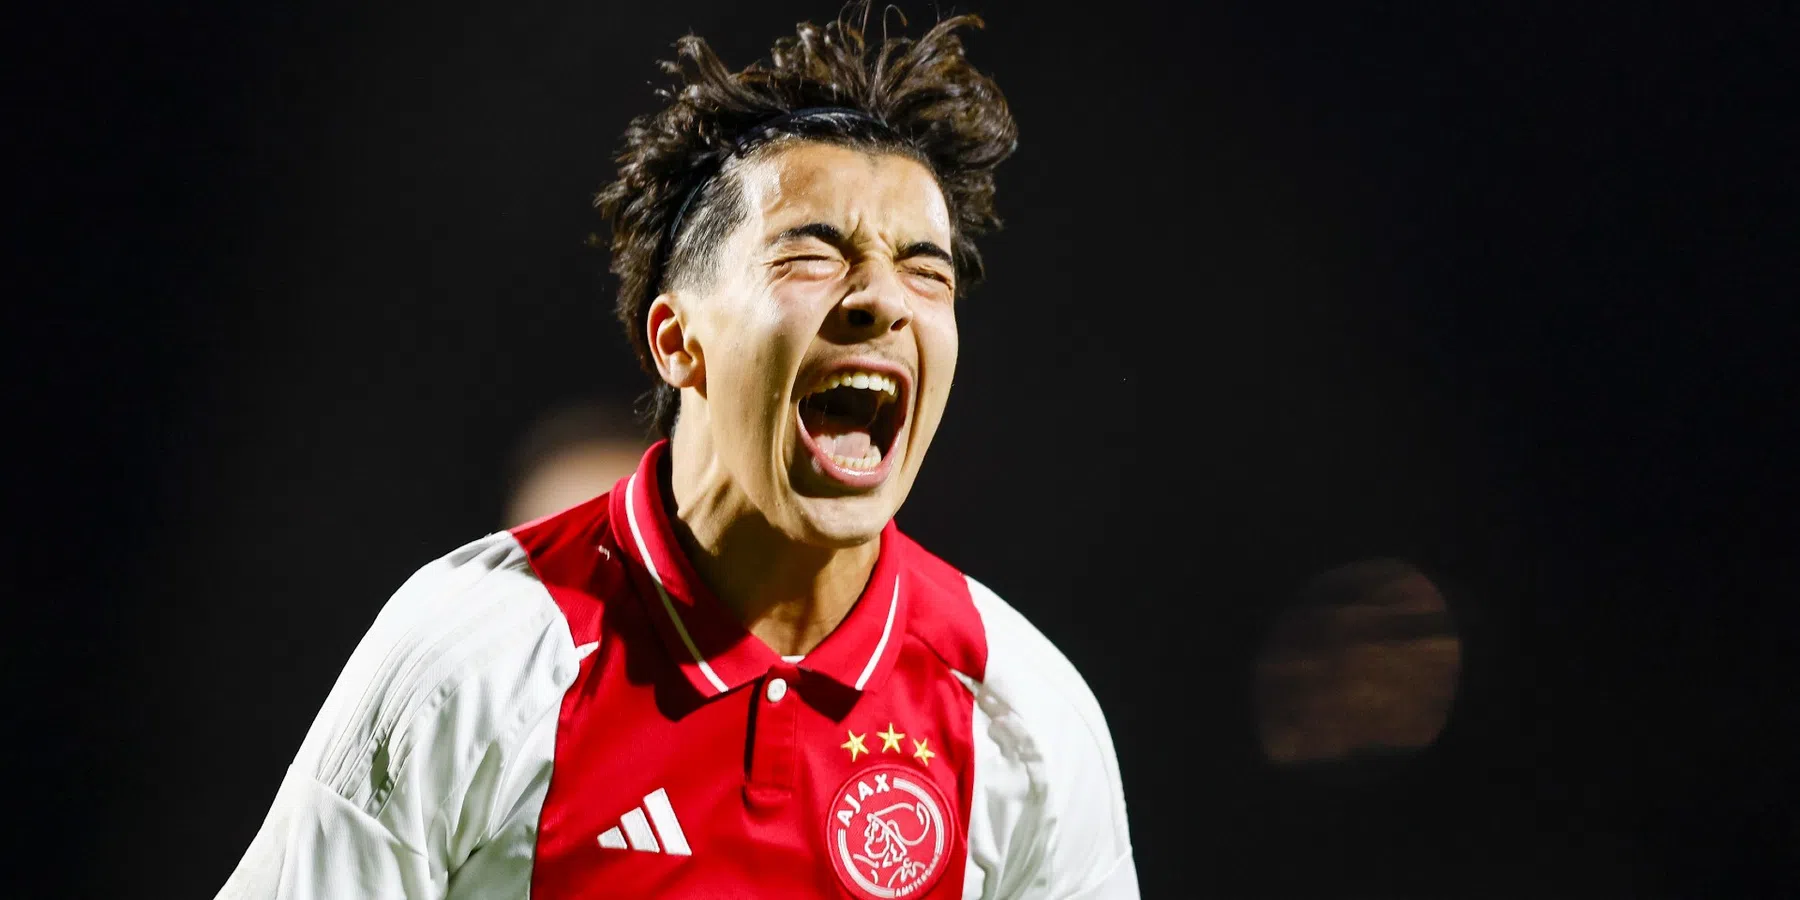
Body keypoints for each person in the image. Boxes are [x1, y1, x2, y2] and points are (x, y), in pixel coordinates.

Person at [218, 8, 1136, 898]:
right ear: (676, 341)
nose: (883, 299)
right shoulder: (473, 659)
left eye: (925, 270)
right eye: (812, 254)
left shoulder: (1024, 720)